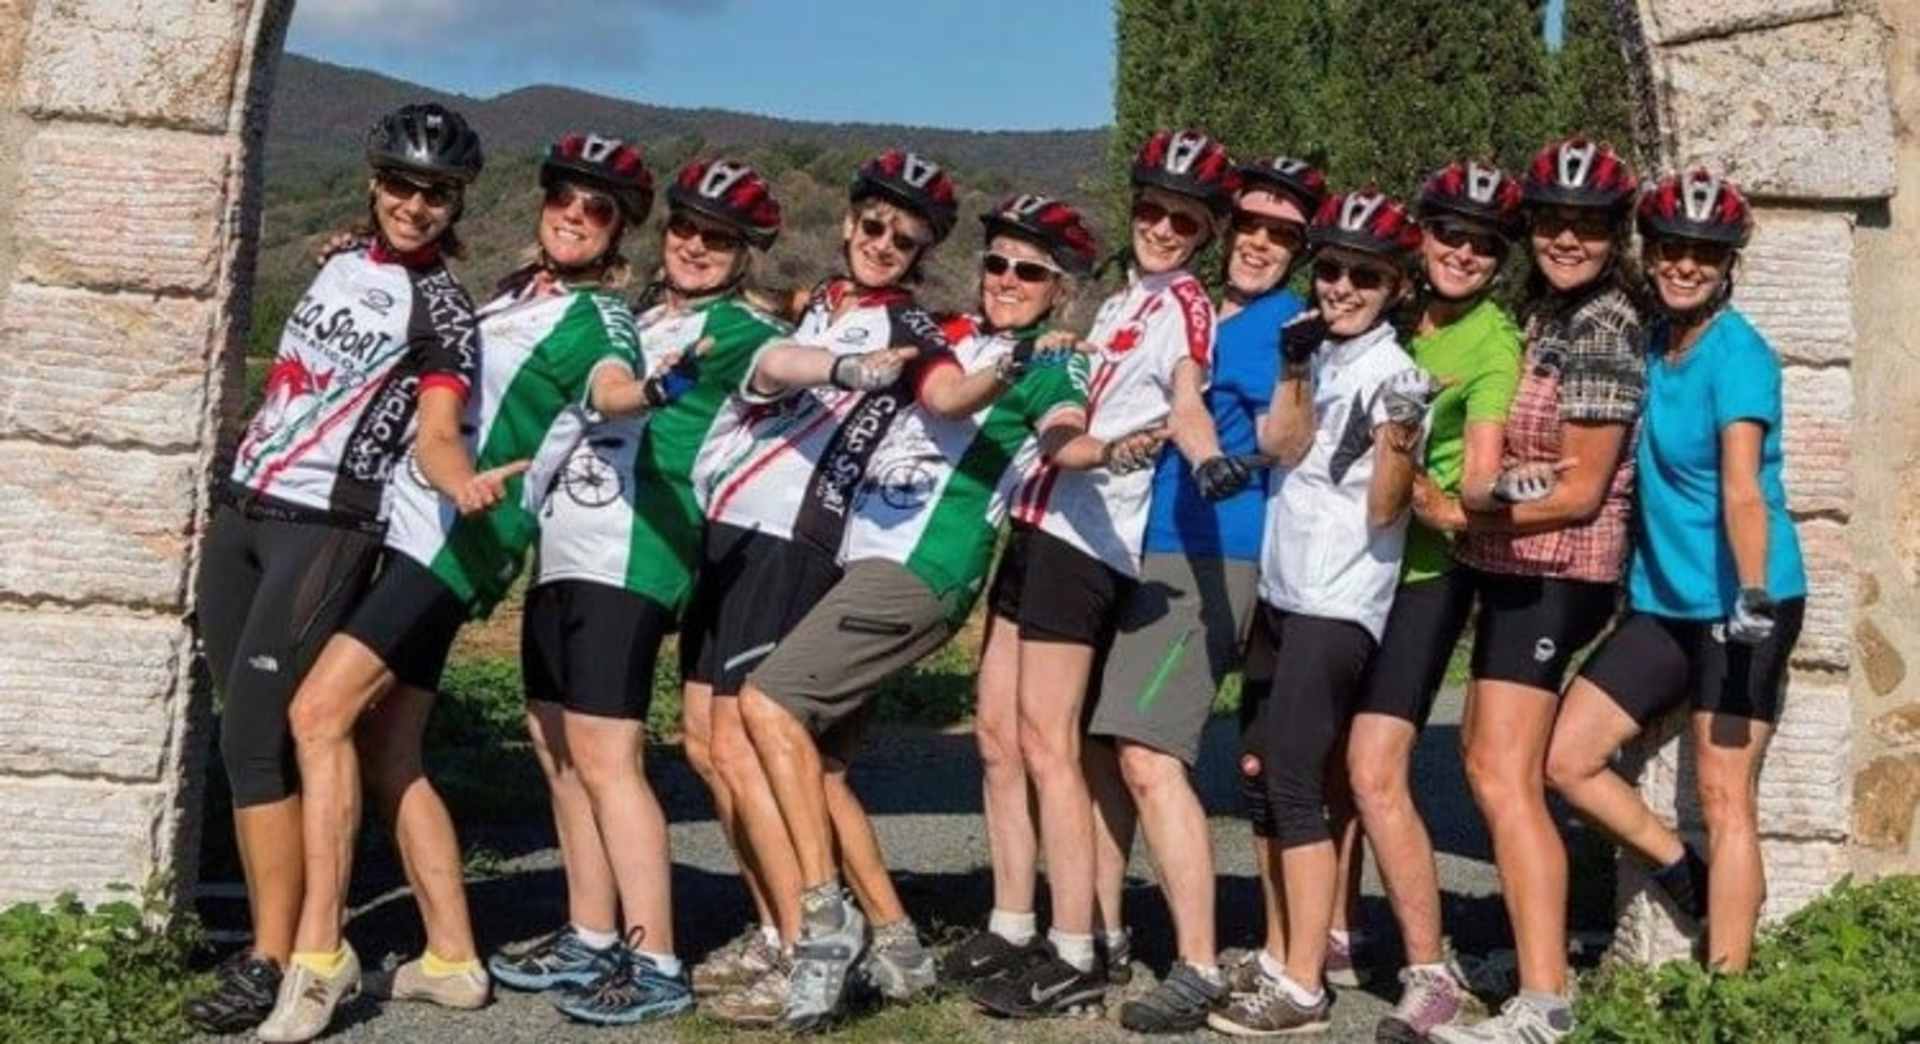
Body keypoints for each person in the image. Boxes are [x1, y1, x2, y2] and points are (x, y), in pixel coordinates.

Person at [257, 132, 689, 1043]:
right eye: (563, 198)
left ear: (622, 231)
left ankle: (318, 954)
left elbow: (613, 385)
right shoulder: (510, 293)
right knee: (389, 746)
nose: (574, 216)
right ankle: (453, 957)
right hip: (414, 519)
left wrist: (646, 392)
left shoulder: (600, 316)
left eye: (598, 209)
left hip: (459, 538)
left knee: (316, 715)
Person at [737, 193, 1168, 1030]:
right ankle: (897, 943)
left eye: (1030, 271)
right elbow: (923, 379)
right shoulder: (954, 332)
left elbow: (1059, 436)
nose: (1007, 280)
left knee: (766, 704)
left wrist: (1109, 451)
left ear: (1061, 289)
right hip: (858, 557)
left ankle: (827, 923)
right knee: (817, 766)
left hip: (921, 569)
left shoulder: (1049, 360)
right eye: (997, 262)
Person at [183, 102, 484, 1037]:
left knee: (255, 742)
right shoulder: (342, 258)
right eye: (401, 184)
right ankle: (281, 939)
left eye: (436, 193)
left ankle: (274, 956)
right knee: (242, 723)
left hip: (327, 528)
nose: (415, 204)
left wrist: (461, 482)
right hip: (245, 510)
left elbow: (437, 428)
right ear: (373, 180)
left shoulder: (444, 310)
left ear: (457, 202)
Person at [679, 150, 984, 1028]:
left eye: (906, 236)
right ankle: (882, 936)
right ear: (850, 222)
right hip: (731, 534)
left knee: (744, 745)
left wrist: (1047, 342)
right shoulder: (817, 303)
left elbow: (954, 382)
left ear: (923, 250)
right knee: (706, 743)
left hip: (791, 541)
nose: (886, 243)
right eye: (875, 225)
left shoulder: (914, 331)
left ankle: (804, 934)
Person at [483, 158, 788, 1027]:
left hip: (635, 555)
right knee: (556, 748)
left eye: (718, 237)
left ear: (744, 255)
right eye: (686, 228)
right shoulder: (634, 314)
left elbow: (791, 360)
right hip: (566, 548)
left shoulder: (733, 329)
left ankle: (653, 958)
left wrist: (853, 368)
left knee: (609, 758)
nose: (695, 245)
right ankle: (590, 931)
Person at [966, 128, 1241, 1021]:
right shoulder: (1124, 298)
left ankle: (1077, 946)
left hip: (1088, 542)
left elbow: (1188, 396)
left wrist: (1200, 461)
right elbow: (1074, 411)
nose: (1163, 228)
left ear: (1205, 234)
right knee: (998, 735)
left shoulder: (1185, 304)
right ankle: (1012, 922)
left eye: (1184, 220)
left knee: (1054, 747)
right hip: (1038, 517)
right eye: (1153, 210)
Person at [1074, 155, 1328, 1034]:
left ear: (1300, 249)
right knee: (1100, 746)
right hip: (1133, 542)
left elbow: (1285, 441)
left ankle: (1196, 965)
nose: (1261, 242)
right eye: (1249, 225)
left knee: (1149, 752)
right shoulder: (1187, 306)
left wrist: (1289, 379)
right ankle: (1095, 935)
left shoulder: (1285, 325)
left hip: (1212, 551)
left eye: (1283, 234)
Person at [1543, 171, 1803, 979]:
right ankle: (1681, 873)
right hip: (1662, 604)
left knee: (1726, 800)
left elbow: (1741, 489)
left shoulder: (1740, 355)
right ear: (1648, 252)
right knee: (1567, 759)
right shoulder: (1654, 342)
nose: (1684, 265)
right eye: (1671, 248)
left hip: (1744, 604)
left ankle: (1727, 993)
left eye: (1704, 253)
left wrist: (1753, 593)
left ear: (1728, 265)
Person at [1417, 137, 1646, 1044]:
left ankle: (1546, 1003)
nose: (1567, 238)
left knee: (1507, 777)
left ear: (1611, 234)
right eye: (1552, 221)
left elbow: (1581, 490)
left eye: (1588, 226)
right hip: (1517, 568)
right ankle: (1536, 947)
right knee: (1483, 760)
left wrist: (1464, 514)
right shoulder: (1548, 311)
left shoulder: (1603, 325)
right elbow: (1528, 468)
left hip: (1561, 573)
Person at [1212, 188, 1436, 1037]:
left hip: (1340, 602)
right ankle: (1277, 956)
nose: (1343, 286)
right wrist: (1294, 367)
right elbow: (1285, 447)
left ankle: (1305, 986)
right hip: (1282, 589)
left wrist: (1406, 433)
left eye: (1365, 277)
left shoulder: (1395, 372)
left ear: (1395, 288)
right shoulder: (1314, 348)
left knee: (1301, 786)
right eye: (1333, 269)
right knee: (1263, 785)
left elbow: (1385, 509)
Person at [1341, 160, 1526, 1044]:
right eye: (1450, 233)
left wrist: (1451, 493)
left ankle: (1431, 973)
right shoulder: (1393, 310)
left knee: (1376, 767)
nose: (1463, 252)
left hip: (1422, 573)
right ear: (1420, 234)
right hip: (1342, 564)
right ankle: (1333, 932)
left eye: (1484, 245)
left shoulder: (1492, 343)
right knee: (1321, 756)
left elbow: (1481, 473)